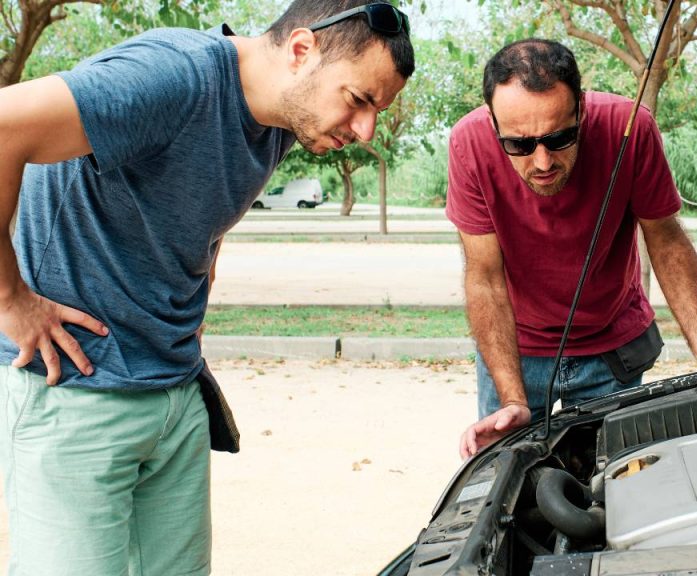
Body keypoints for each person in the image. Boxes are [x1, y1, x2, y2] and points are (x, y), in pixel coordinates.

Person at [0, 1, 413, 574]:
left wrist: (202, 265)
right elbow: (3, 124)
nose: (366, 130)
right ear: (301, 51)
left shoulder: (282, 119)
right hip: (76, 390)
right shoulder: (172, 77)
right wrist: (9, 300)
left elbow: (195, 199)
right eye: (359, 100)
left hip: (174, 392)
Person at [446, 39, 697, 459]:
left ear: (580, 108)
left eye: (559, 138)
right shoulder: (468, 143)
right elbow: (485, 276)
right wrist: (512, 399)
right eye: (520, 145)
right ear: (493, 123)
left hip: (611, 349)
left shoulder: (630, 127)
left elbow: (666, 239)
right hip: (514, 351)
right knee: (514, 479)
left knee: (612, 481)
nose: (542, 162)